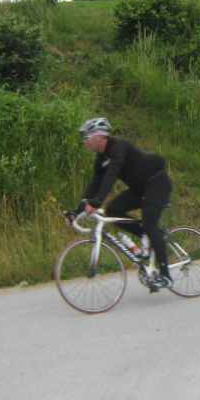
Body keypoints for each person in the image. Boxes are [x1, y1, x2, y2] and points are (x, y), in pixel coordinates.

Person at [68, 117, 173, 291]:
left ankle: (166, 275)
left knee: (149, 223)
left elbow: (112, 175)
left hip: (156, 182)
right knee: (113, 210)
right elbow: (95, 184)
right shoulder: (101, 158)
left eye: (86, 138)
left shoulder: (118, 147)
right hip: (140, 188)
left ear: (99, 136)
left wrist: (97, 201)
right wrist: (76, 210)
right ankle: (149, 236)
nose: (85, 142)